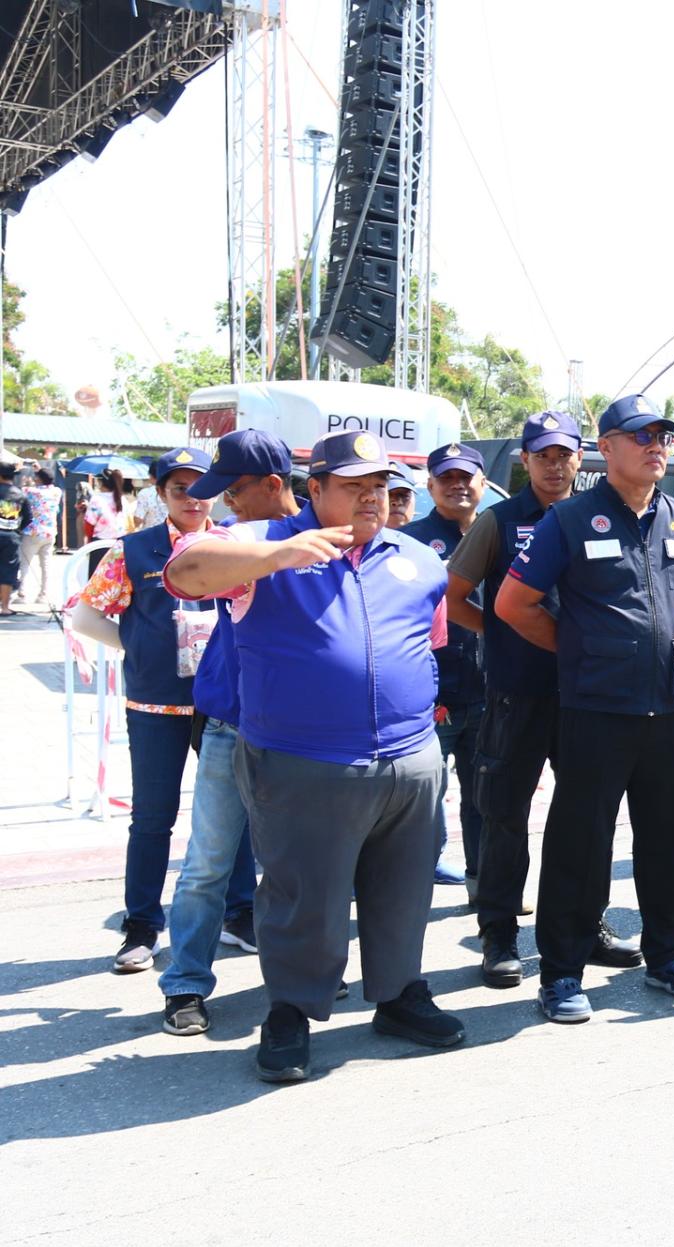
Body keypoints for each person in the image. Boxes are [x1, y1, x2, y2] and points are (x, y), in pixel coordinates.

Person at [165, 429, 463, 1083]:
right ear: (315, 489)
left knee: (403, 888)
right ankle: (292, 1011)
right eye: (354, 486)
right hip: (302, 759)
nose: (371, 497)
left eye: (380, 485)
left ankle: (399, 994)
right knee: (304, 896)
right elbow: (184, 572)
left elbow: (429, 639)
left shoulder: (417, 558)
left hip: (408, 756)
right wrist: (280, 556)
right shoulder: (263, 541)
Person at [494, 399, 674, 1022]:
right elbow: (513, 604)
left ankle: (666, 955)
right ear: (607, 447)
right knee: (581, 842)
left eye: (663, 435)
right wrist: (582, 649)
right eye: (641, 436)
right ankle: (562, 973)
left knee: (669, 837)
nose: (656, 445)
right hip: (597, 707)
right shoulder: (569, 519)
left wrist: (663, 649)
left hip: (671, 705)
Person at [447, 412, 632, 988]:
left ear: (581, 458)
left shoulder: (603, 515)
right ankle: (499, 933)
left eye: (564, 455)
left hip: (589, 695)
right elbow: (452, 596)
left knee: (590, 817)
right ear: (524, 460)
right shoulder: (500, 521)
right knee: (505, 816)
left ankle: (586, 924)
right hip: (518, 693)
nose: (554, 466)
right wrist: (500, 631)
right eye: (543, 456)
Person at [68, 449, 236, 973]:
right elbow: (86, 617)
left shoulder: (235, 546)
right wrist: (138, 646)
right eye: (179, 488)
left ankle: (241, 914)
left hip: (223, 705)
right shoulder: (133, 550)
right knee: (152, 818)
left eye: (201, 487)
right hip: (155, 702)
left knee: (238, 814)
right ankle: (142, 925)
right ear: (160, 494)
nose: (192, 498)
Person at [156, 429, 297, 1034]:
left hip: (302, 734)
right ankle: (185, 983)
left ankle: (300, 976)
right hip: (231, 724)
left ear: (274, 484)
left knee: (300, 866)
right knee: (207, 865)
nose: (221, 502)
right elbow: (189, 566)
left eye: (232, 489)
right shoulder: (233, 542)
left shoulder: (327, 535)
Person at [402, 443, 489, 889]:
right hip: (430, 697)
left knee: (484, 801)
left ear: (482, 483)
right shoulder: (410, 541)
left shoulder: (500, 531)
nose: (457, 486)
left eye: (465, 477)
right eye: (446, 478)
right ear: (431, 485)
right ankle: (409, 894)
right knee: (418, 804)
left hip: (488, 691)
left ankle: (483, 888)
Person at [20, 466, 62, 603]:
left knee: (25, 563)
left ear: (38, 479)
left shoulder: (31, 491)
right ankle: (43, 595)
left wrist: (26, 482)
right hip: (50, 532)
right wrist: (39, 471)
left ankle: (21, 594)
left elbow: (22, 491)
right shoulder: (57, 492)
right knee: (46, 565)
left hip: (32, 531)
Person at [0, 463, 26, 615]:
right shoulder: (20, 495)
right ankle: (5, 607)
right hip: (11, 536)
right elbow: (28, 517)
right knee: (8, 571)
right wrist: (16, 530)